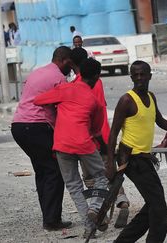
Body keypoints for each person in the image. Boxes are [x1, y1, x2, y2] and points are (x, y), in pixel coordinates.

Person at [106, 60, 167, 243]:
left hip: (144, 159)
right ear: (131, 77)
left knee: (152, 206)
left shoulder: (150, 97)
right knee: (160, 216)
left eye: (143, 74)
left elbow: (161, 121)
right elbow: (113, 134)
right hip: (131, 160)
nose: (140, 78)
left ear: (150, 75)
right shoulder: (126, 100)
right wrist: (110, 164)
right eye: (136, 75)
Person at [33, 58, 110, 238]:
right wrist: (105, 148)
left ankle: (89, 225)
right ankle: (96, 208)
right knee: (101, 177)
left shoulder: (64, 90)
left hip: (62, 143)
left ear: (80, 73)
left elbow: (38, 100)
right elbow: (96, 130)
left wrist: (56, 111)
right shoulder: (94, 101)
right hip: (84, 143)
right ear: (97, 77)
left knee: (74, 186)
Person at [11, 46, 73, 231]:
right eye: (69, 64)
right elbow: (59, 110)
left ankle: (49, 217)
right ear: (63, 60)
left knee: (43, 170)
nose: (70, 68)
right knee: (54, 170)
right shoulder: (58, 78)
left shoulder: (38, 72)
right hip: (35, 127)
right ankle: (52, 220)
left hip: (19, 126)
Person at [69, 47, 130, 228]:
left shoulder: (76, 85)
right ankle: (122, 202)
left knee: (92, 179)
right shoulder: (98, 81)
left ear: (72, 65)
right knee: (110, 173)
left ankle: (99, 213)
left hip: (89, 139)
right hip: (105, 135)